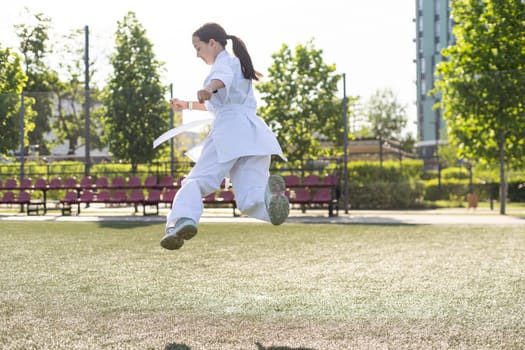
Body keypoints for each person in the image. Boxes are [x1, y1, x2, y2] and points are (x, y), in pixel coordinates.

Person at [160, 22, 289, 250]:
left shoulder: (224, 63)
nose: (197, 54)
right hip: (255, 135)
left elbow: (221, 80)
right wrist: (187, 104)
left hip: (230, 132)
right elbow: (218, 104)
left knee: (197, 182)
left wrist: (209, 88)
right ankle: (271, 203)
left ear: (212, 43)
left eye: (198, 48)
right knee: (249, 200)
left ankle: (182, 220)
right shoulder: (240, 64)